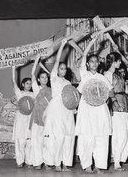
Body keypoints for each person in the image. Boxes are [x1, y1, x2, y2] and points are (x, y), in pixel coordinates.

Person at [75, 32, 113, 174]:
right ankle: (87, 165)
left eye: (96, 61)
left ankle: (99, 165)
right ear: (87, 64)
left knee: (101, 136)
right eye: (92, 61)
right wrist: (94, 41)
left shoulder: (102, 77)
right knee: (87, 137)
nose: (95, 63)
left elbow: (111, 92)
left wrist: (106, 97)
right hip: (86, 110)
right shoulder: (84, 75)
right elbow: (84, 55)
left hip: (100, 109)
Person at [43, 38, 76, 172]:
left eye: (64, 69)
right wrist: (62, 45)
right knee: (58, 136)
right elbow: (57, 62)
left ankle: (66, 163)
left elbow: (72, 97)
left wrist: (74, 108)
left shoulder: (68, 82)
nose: (63, 70)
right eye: (61, 68)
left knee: (68, 136)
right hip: (55, 108)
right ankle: (57, 163)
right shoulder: (54, 79)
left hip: (67, 110)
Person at [104, 52, 128, 171]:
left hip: (124, 105)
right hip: (116, 107)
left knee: (127, 133)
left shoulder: (117, 74)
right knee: (121, 135)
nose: (120, 63)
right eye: (119, 61)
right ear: (113, 61)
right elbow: (109, 92)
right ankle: (116, 162)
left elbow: (126, 91)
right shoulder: (107, 74)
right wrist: (116, 103)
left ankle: (118, 158)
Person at [29, 55, 50, 170]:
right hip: (37, 117)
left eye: (46, 77)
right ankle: (38, 162)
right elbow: (32, 74)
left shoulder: (51, 91)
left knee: (47, 141)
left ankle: (47, 162)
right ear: (38, 80)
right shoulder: (37, 89)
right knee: (36, 140)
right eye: (42, 77)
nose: (44, 79)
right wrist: (37, 60)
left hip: (47, 118)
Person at [11, 66, 34, 168]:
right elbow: (13, 82)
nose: (29, 85)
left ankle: (29, 161)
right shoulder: (19, 93)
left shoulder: (34, 94)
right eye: (27, 83)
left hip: (30, 119)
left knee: (29, 140)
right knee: (20, 140)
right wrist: (13, 69)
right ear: (23, 84)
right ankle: (20, 161)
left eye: (30, 83)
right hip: (20, 119)